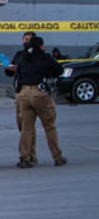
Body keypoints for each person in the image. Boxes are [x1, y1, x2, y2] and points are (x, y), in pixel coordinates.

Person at [15, 36, 66, 168]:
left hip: (23, 94)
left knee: (26, 128)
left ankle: (25, 157)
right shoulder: (44, 57)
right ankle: (57, 156)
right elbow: (59, 70)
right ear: (41, 46)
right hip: (39, 93)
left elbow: (18, 73)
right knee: (49, 126)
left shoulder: (22, 57)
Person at [5, 31, 37, 161]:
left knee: (27, 125)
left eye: (29, 39)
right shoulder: (19, 55)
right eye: (25, 39)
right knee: (21, 125)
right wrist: (7, 67)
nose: (26, 41)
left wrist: (17, 68)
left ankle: (29, 155)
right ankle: (29, 152)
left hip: (33, 92)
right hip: (20, 93)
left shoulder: (37, 56)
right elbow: (10, 72)